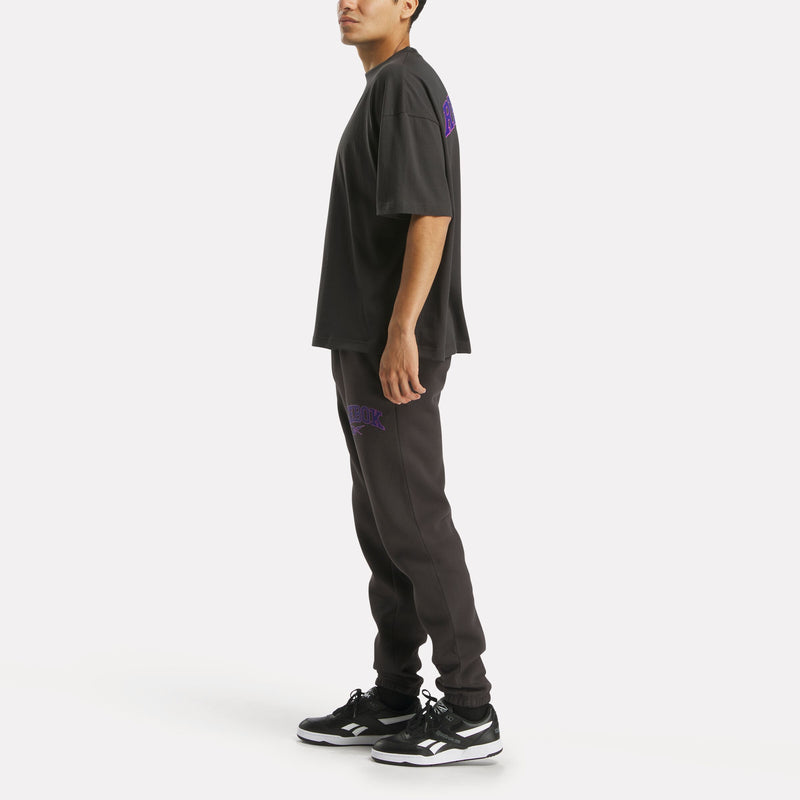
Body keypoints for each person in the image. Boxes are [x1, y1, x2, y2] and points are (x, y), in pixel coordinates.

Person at [297, 0, 502, 766]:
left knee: (414, 521)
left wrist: (402, 329)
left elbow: (430, 214)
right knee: (384, 523)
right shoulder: (391, 85)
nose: (348, 2)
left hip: (391, 347)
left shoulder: (404, 86)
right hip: (366, 340)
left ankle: (470, 707)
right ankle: (394, 696)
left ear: (410, 4)